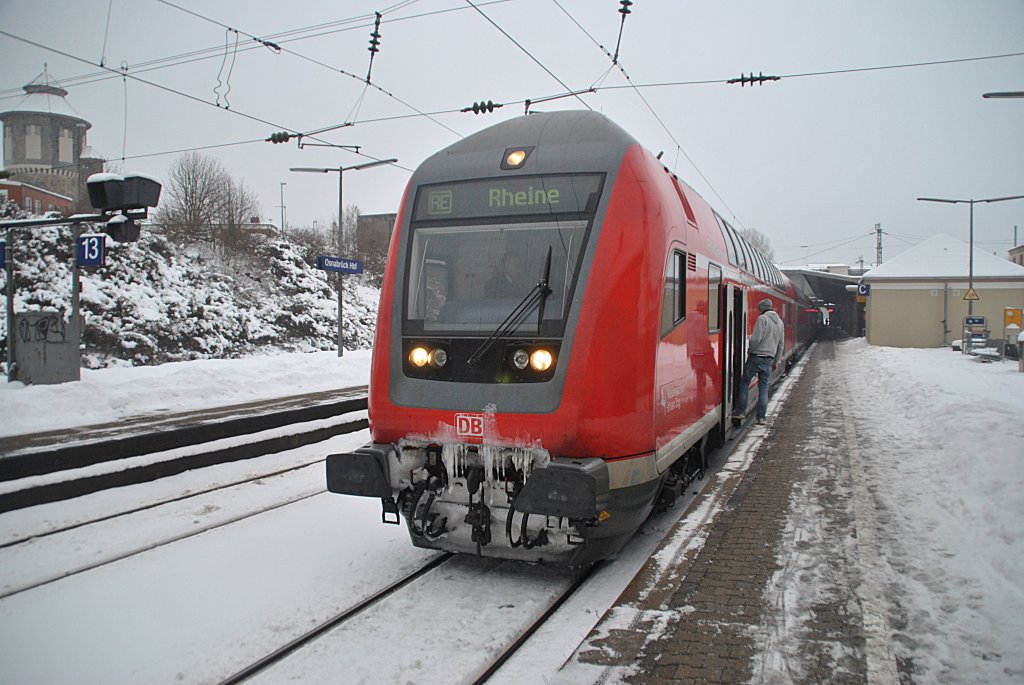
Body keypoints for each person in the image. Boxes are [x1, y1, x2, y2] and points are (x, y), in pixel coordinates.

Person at [732, 298, 785, 424]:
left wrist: (750, 351)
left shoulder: (762, 319)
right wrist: (775, 361)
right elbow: (781, 345)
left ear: (761, 309)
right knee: (764, 387)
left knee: (745, 382)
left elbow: (756, 339)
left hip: (756, 357)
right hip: (769, 360)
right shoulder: (780, 323)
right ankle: (761, 417)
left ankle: (740, 411)